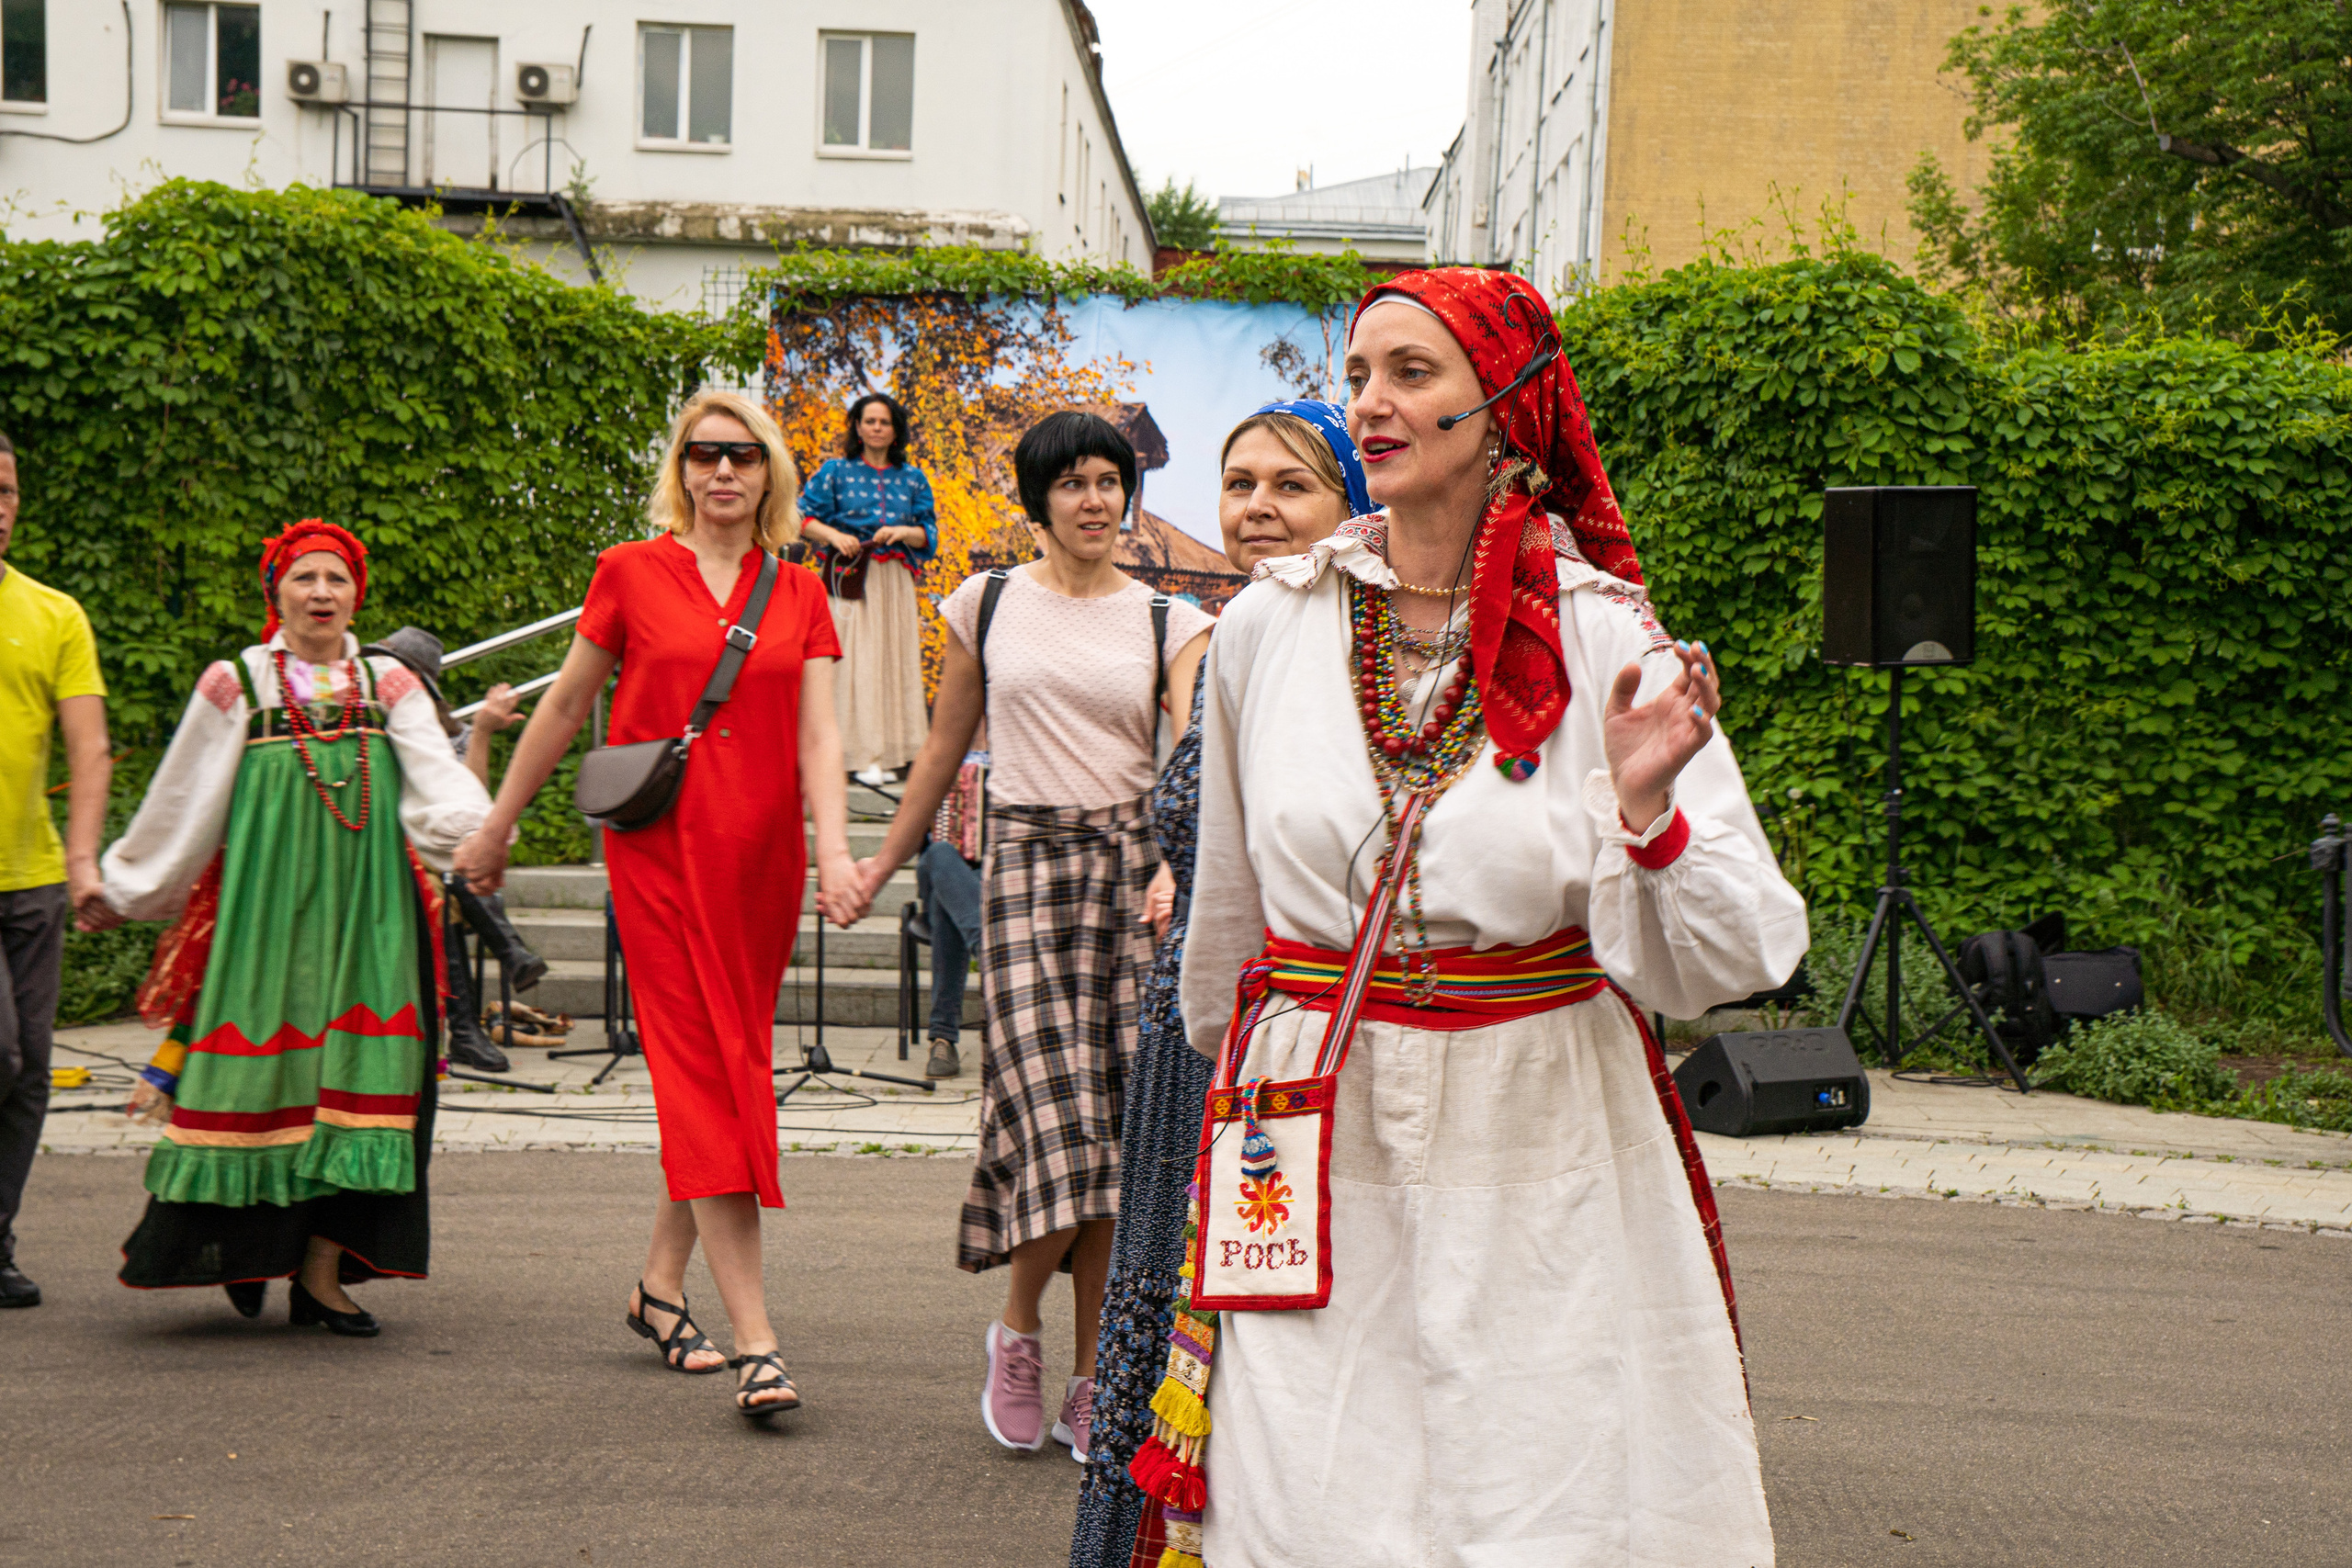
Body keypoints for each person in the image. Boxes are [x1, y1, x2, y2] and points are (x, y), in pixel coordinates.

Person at [1170, 271, 1809, 1565]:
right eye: (1360, 375)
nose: (1373, 404)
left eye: (1414, 372)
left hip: (1540, 1117)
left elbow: (1742, 950)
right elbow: (1230, 906)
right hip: (1312, 1115)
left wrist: (1646, 814)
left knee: (1541, 1484)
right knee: (1308, 1491)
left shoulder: (1607, 637)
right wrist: (1236, 1098)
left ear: (1510, 409)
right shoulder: (1268, 631)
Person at [452, 389, 869, 1421]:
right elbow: (562, 702)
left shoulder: (800, 592)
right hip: (661, 856)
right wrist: (499, 821)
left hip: (762, 864)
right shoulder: (629, 572)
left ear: (770, 472)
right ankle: (759, 1340)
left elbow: (821, 738)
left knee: (728, 1069)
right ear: (680, 469)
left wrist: (836, 849)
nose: (722, 471)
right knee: (708, 1079)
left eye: (742, 455)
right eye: (702, 454)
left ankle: (656, 1287)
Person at [855, 411, 1215, 1462]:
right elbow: (943, 746)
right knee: (1057, 1123)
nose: (1096, 500)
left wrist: (1173, 863)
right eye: (1075, 484)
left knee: (1112, 1139)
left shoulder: (1170, 620)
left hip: (1131, 877)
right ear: (1040, 497)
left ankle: (1096, 1380)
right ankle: (1016, 1333)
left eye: (1111, 482)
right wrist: (883, 860)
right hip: (1022, 870)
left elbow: (1189, 759)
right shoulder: (988, 601)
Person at [1070, 400, 1369, 1568]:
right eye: (1238, 483)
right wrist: (1167, 866)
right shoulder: (1234, 631)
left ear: (1354, 508)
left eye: (1291, 486)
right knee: (1161, 1289)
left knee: (1267, 1312)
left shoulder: (1367, 651)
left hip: (1293, 1034)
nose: (1255, 507)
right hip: (1192, 1021)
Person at [96, 520, 494, 1334]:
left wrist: (476, 832)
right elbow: (182, 800)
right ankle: (249, 1250)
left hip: (371, 920)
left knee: (356, 1096)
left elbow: (435, 782)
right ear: (276, 590)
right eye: (305, 578)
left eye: (337, 579)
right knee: (259, 1084)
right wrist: (126, 886)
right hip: (267, 920)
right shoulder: (236, 681)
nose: (321, 593)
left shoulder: (390, 684)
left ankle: (319, 1277)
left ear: (358, 594)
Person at [0, 429, 113, 1311]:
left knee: (33, 1065)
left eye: (5, 492)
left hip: (30, 876)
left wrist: (81, 862)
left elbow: (89, 743)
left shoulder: (53, 613)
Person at [798, 392, 938, 788]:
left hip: (893, 580)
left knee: (891, 661)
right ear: (857, 428)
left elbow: (929, 534)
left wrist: (903, 532)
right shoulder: (835, 472)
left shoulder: (913, 478)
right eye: (869, 421)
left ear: (896, 431)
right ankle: (846, 753)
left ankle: (889, 753)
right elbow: (799, 516)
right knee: (849, 663)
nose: (877, 428)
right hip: (848, 576)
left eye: (885, 422)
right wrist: (833, 534)